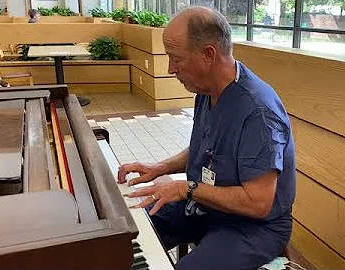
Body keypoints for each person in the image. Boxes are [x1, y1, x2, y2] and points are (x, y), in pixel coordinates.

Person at [118, 6, 296, 270]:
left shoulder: (258, 112)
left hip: (253, 227)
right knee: (127, 232)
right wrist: (161, 168)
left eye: (176, 59)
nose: (170, 69)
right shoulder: (207, 89)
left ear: (208, 55)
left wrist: (185, 188)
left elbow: (258, 203)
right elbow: (208, 148)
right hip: (206, 205)